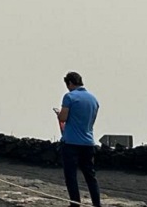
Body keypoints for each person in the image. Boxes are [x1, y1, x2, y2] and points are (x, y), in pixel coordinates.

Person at [57, 71, 101, 207]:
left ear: (70, 83)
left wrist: (59, 114)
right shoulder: (93, 99)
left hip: (71, 142)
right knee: (90, 176)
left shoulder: (69, 97)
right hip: (88, 142)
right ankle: (96, 204)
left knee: (71, 176)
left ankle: (75, 204)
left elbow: (63, 118)